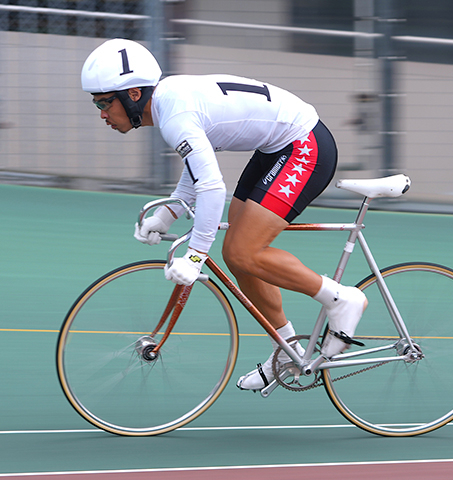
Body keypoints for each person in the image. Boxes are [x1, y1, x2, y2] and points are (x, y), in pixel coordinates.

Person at [81, 38, 367, 391]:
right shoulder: (169, 103)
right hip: (276, 147)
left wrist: (197, 254)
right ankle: (289, 349)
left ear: (134, 95)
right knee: (237, 256)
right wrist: (169, 214)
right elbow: (195, 171)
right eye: (97, 103)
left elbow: (212, 188)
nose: (101, 113)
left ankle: (341, 299)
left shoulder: (175, 115)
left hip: (304, 146)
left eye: (105, 102)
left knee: (244, 251)